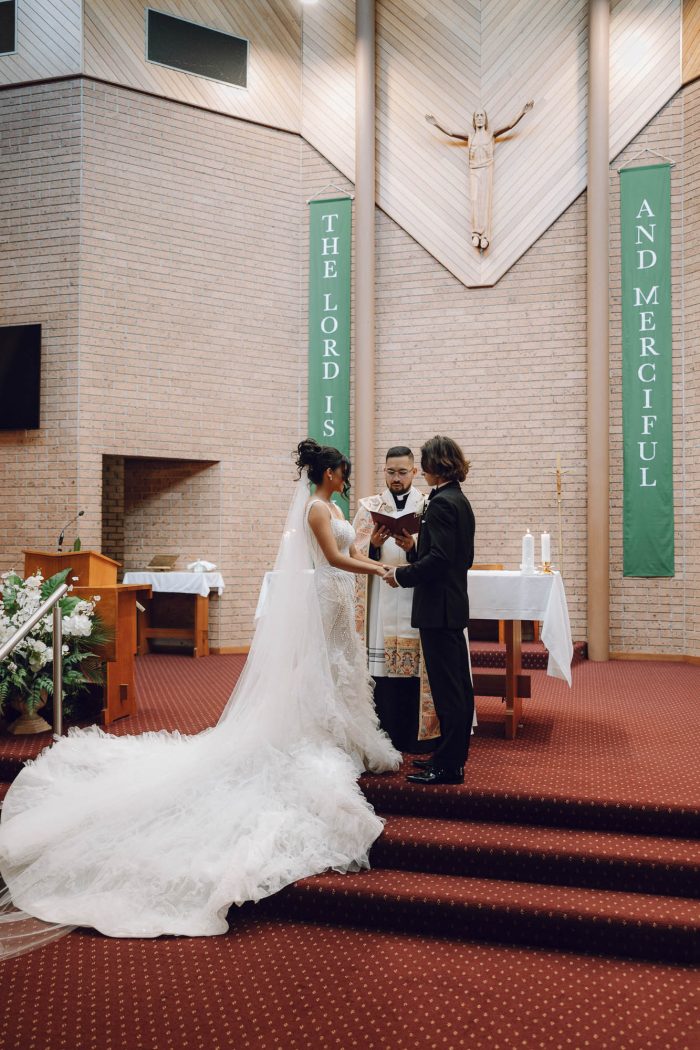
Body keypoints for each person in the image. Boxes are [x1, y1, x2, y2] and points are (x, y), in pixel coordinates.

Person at [0, 439, 400, 957]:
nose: (346, 479)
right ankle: (317, 732)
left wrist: (373, 553)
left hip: (342, 600)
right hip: (327, 595)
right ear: (328, 474)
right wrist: (378, 570)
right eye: (342, 472)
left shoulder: (337, 508)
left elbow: (351, 551)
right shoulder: (317, 510)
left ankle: (344, 732)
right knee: (320, 670)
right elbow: (332, 558)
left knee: (339, 668)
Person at [384, 436, 475, 785]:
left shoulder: (440, 504)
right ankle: (447, 756)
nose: (422, 471)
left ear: (436, 465)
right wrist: (413, 549)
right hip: (449, 604)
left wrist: (401, 575)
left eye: (424, 464)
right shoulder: (457, 500)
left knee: (449, 691)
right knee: (455, 687)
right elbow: (455, 556)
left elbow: (440, 560)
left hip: (439, 608)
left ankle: (450, 765)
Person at [352, 446, 437, 751]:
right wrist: (373, 546)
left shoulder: (428, 505)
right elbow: (353, 552)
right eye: (391, 472)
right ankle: (384, 733)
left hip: (415, 593)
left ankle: (415, 737)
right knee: (383, 670)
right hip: (382, 595)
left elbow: (436, 554)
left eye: (402, 472)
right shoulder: (369, 508)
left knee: (415, 668)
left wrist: (413, 547)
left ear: (414, 472)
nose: (396, 478)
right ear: (384, 472)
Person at [425, 101, 534, 250]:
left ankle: (485, 236)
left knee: (485, 201)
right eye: (477, 116)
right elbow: (451, 132)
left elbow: (509, 126)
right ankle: (476, 233)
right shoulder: (470, 137)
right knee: (475, 200)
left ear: (485, 119)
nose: (479, 118)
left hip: (486, 168)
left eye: (482, 115)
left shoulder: (491, 134)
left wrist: (522, 112)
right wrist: (436, 123)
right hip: (474, 170)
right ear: (474, 120)